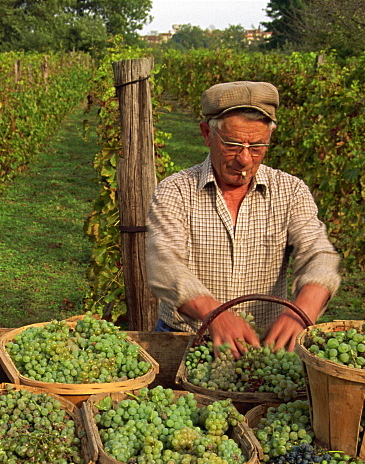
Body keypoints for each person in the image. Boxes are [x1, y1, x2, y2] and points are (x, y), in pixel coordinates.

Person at [146, 80, 341, 356]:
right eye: (233, 145)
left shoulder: (291, 191)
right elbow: (163, 263)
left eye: (258, 147)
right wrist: (214, 313)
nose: (245, 160)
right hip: (185, 340)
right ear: (206, 134)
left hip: (265, 346)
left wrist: (304, 307)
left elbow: (318, 254)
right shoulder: (175, 191)